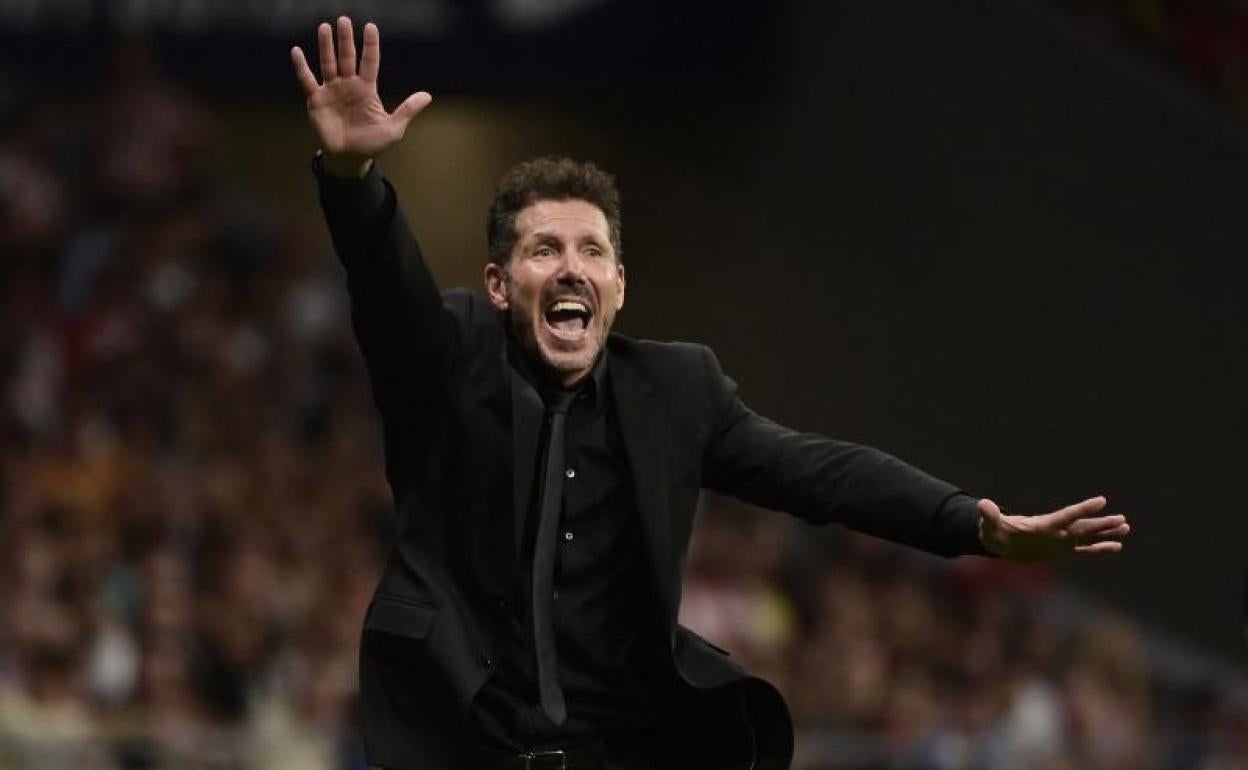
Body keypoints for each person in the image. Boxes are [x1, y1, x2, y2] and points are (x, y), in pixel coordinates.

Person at [290, 17, 1130, 770]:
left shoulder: (677, 390)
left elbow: (818, 473)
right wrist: (352, 177)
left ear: (619, 285)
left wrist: (971, 522)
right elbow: (388, 287)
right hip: (456, 748)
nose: (571, 266)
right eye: (544, 249)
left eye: (591, 251)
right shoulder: (453, 355)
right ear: (500, 284)